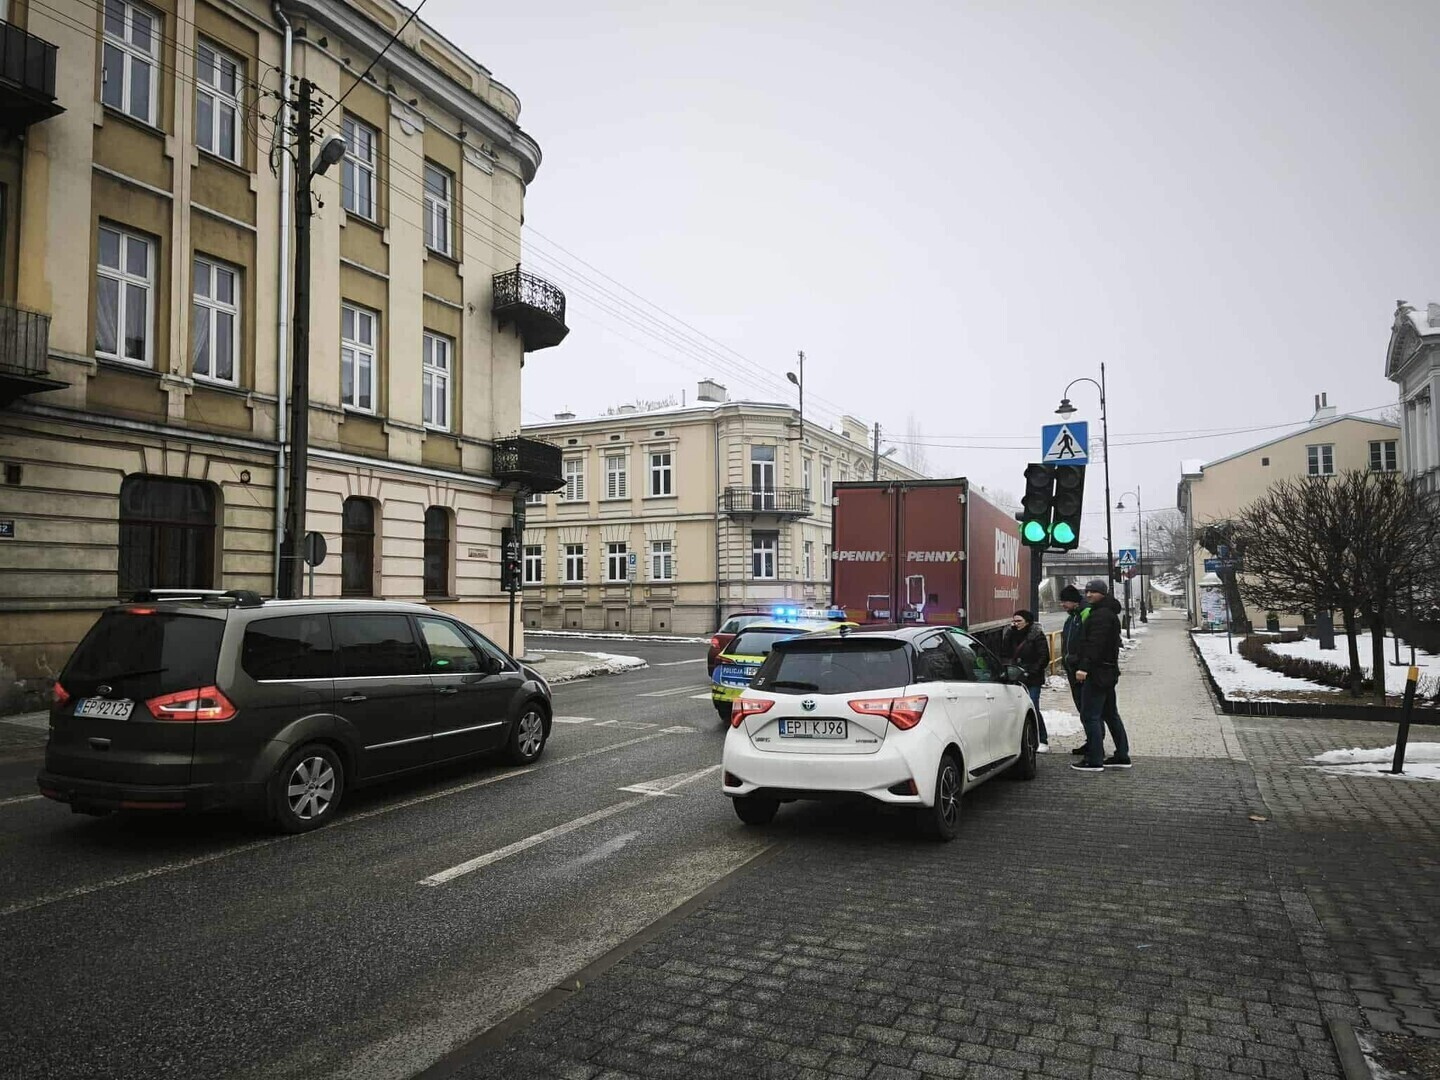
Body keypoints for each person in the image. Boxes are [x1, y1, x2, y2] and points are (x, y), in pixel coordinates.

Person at [1070, 578, 1132, 773]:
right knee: (1110, 714)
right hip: (1108, 672)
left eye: (1093, 592)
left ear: (1103, 594)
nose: (1088, 595)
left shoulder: (1100, 616)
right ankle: (1122, 755)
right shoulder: (1107, 613)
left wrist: (1083, 667)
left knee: (1090, 716)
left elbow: (1095, 645)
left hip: (1097, 673)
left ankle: (1094, 759)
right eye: (1087, 592)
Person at [1003, 609, 1050, 752]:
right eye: (1014, 621)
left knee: (1033, 707)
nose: (1015, 624)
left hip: (1032, 678)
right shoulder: (1011, 635)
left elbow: (1044, 657)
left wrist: (1031, 671)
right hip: (1016, 677)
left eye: (1019, 621)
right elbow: (1004, 653)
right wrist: (1009, 635)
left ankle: (1042, 739)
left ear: (1027, 622)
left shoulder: (1037, 636)